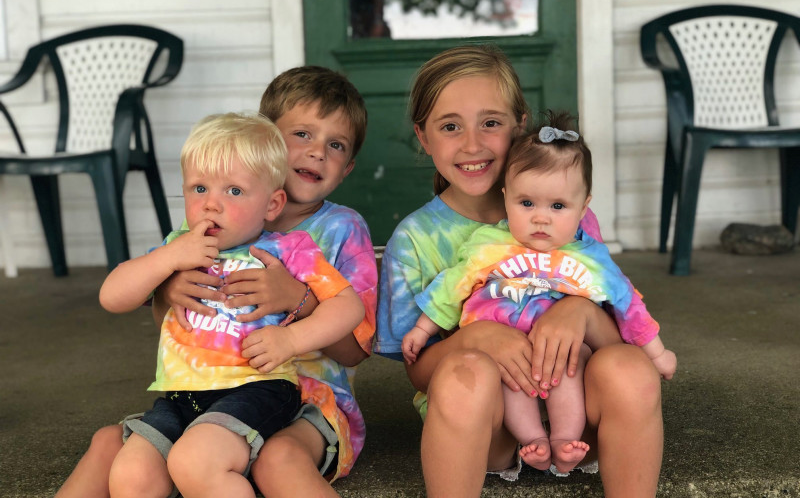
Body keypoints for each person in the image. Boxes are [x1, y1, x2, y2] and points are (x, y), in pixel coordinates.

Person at [56, 66, 377, 498]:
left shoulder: (336, 230)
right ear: (262, 138)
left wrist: (297, 302)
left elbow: (356, 348)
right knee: (112, 446)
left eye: (334, 145)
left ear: (348, 166)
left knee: (275, 460)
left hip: (308, 400)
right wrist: (167, 290)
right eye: (301, 135)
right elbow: (179, 325)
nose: (316, 152)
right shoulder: (208, 227)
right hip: (209, 395)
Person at [375, 44, 666, 497]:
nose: (472, 144)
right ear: (423, 137)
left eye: (490, 123)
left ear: (520, 125)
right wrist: (473, 338)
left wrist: (582, 314)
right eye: (450, 127)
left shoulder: (568, 216)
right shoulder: (415, 240)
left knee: (631, 370)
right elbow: (418, 372)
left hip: (581, 420)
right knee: (462, 373)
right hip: (489, 427)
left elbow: (618, 336)